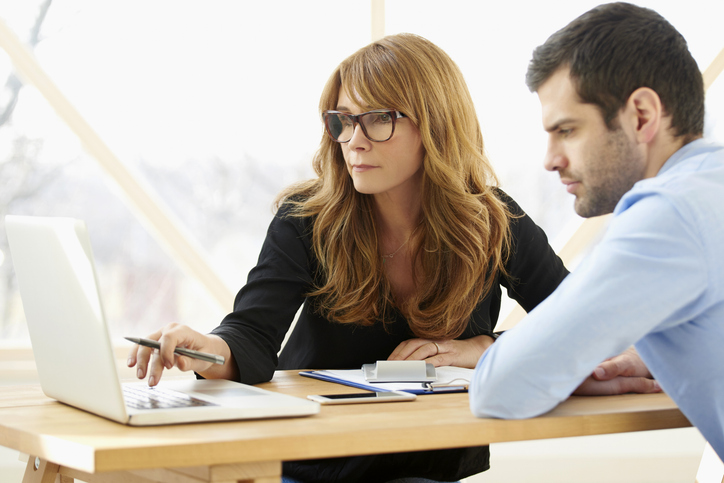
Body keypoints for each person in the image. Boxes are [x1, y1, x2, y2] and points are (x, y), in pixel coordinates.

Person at [128, 33, 572, 482]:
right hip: (316, 463)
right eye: (343, 120)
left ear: (436, 124)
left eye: (379, 119)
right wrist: (206, 351)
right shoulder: (308, 218)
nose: (354, 141)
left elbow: (579, 325)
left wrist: (484, 348)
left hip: (428, 462)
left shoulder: (493, 221)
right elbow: (251, 335)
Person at [469, 2, 724, 461]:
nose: (550, 159)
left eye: (566, 130)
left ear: (642, 116)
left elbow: (498, 388)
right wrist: (650, 357)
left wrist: (561, 363)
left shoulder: (668, 213)